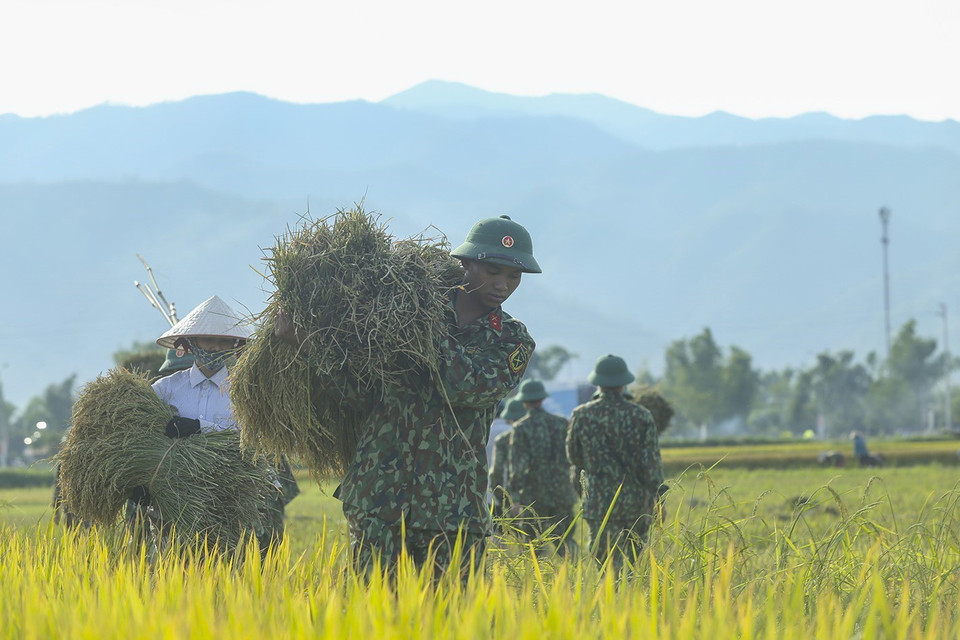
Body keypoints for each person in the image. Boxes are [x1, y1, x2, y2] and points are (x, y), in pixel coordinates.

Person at [282, 215, 540, 579]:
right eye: (493, 271)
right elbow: (358, 395)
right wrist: (310, 344)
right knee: (370, 616)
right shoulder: (398, 315)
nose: (503, 284)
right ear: (465, 263)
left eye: (513, 277)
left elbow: (468, 388)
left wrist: (421, 324)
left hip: (453, 511)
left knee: (447, 622)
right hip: (378, 497)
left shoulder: (511, 340)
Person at [150, 295, 298, 554]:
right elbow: (145, 437)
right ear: (190, 343)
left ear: (236, 346)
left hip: (232, 507)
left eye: (224, 342)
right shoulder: (165, 390)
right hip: (174, 506)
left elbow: (253, 441)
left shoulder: (248, 393)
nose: (216, 347)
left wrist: (199, 428)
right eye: (209, 340)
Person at [566, 354, 663, 570]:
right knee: (631, 565)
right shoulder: (641, 416)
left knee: (605, 567)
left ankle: (610, 600)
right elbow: (652, 466)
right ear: (624, 383)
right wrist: (659, 500)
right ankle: (628, 601)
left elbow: (574, 457)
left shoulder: (581, 415)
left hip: (599, 503)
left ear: (598, 383)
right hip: (635, 503)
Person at [506, 379, 578, 552]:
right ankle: (578, 575)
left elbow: (517, 467)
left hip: (534, 495)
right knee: (566, 541)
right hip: (562, 491)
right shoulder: (562, 423)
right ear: (542, 399)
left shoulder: (521, 428)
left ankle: (536, 578)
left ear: (524, 402)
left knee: (533, 546)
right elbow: (573, 455)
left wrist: (514, 497)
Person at [488, 398, 526, 524]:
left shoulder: (484, 432)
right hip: (514, 494)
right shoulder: (513, 432)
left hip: (488, 493)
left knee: (496, 535)